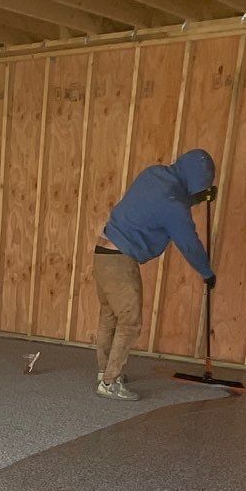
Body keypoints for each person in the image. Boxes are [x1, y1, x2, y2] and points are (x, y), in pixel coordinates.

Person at [93, 148, 217, 400]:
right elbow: (189, 243)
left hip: (102, 254)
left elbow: (164, 201)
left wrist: (198, 198)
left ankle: (105, 371)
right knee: (130, 321)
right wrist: (207, 272)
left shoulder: (154, 174)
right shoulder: (174, 207)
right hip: (120, 261)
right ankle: (110, 383)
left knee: (110, 316)